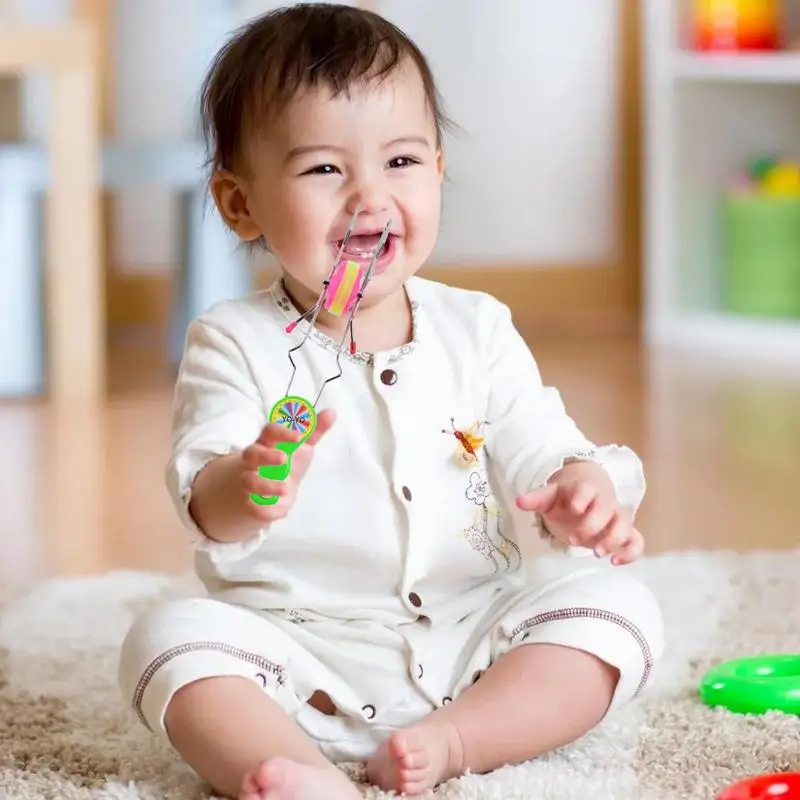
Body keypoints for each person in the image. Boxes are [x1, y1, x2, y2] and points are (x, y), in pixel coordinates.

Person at [118, 4, 664, 799]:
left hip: (475, 643)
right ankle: (297, 772)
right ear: (241, 205)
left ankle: (454, 740)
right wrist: (252, 481)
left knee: (622, 610)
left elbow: (542, 442)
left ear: (438, 171)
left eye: (401, 162)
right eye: (324, 170)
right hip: (297, 658)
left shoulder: (476, 327)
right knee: (165, 641)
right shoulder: (234, 340)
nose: (369, 199)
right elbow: (207, 497)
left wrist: (582, 487)